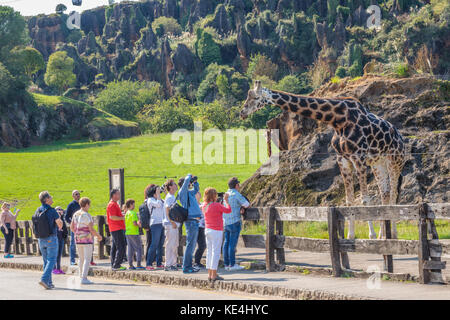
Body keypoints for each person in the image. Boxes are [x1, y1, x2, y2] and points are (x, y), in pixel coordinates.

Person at [70, 197, 102, 284]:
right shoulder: (87, 215)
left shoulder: (75, 214)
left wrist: (78, 233)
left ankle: (80, 276)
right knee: (87, 259)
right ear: (87, 204)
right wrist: (98, 236)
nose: (89, 207)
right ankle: (84, 278)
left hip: (78, 239)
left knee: (81, 259)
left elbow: (72, 227)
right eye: (89, 205)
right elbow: (91, 229)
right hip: (87, 240)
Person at [202, 188, 232, 282]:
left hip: (208, 229)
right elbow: (228, 210)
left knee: (209, 252)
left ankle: (210, 274)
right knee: (216, 253)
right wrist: (226, 201)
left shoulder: (204, 206)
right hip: (216, 230)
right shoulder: (216, 205)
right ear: (213, 196)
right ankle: (214, 274)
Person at [35, 191, 63, 289]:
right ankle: (44, 279)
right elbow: (59, 223)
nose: (52, 198)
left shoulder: (37, 210)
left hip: (41, 239)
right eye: (50, 197)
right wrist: (60, 225)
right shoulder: (52, 210)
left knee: (46, 261)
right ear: (46, 199)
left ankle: (49, 282)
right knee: (52, 260)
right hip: (51, 237)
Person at [223, 177, 250, 271]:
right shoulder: (236, 194)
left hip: (226, 222)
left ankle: (226, 264)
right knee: (232, 244)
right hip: (234, 221)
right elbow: (246, 204)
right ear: (236, 185)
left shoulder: (226, 194)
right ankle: (232, 264)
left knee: (226, 243)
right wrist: (241, 207)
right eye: (238, 184)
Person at [178, 174, 202, 274]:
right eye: (189, 183)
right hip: (191, 221)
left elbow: (196, 189)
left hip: (194, 221)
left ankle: (188, 265)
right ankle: (187, 267)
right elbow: (185, 184)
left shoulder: (189, 193)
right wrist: (189, 176)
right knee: (190, 245)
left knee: (191, 245)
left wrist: (195, 182)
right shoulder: (182, 192)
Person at [146, 185, 165, 270]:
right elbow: (159, 204)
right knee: (154, 244)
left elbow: (165, 204)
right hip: (155, 224)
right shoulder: (150, 200)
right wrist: (158, 194)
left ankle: (159, 262)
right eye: (157, 192)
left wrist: (163, 193)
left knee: (160, 244)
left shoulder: (158, 199)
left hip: (161, 223)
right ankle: (149, 263)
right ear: (154, 193)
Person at [107, 189, 127, 271]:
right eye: (118, 194)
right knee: (121, 246)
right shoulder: (112, 204)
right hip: (116, 228)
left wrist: (122, 214)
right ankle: (117, 265)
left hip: (115, 228)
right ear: (114, 195)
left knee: (115, 247)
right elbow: (112, 217)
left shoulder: (114, 204)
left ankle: (114, 264)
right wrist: (123, 217)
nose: (119, 195)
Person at [162, 179, 179, 271]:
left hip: (172, 223)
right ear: (171, 187)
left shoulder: (171, 196)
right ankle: (168, 264)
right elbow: (167, 209)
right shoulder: (169, 197)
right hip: (170, 224)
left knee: (174, 243)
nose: (176, 185)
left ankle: (173, 263)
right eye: (174, 184)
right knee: (170, 244)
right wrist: (172, 221)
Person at [124, 199, 144, 270]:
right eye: (133, 204)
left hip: (128, 232)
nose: (134, 205)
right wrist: (139, 224)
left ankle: (130, 265)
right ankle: (138, 264)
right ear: (131, 205)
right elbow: (134, 223)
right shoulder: (133, 213)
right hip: (134, 232)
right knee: (139, 248)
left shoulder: (127, 213)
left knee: (130, 249)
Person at [65, 190, 81, 265]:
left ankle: (83, 260)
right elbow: (66, 216)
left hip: (82, 227)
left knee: (83, 243)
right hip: (74, 227)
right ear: (73, 196)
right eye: (76, 194)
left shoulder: (82, 204)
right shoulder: (71, 205)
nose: (78, 195)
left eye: (79, 194)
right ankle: (72, 260)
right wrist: (72, 223)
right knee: (73, 244)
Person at [53, 206, 68, 274]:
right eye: (57, 210)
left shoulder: (62, 219)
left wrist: (65, 236)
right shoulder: (53, 220)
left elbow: (65, 229)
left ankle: (58, 268)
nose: (59, 211)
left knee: (59, 255)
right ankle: (54, 268)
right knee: (54, 254)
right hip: (54, 239)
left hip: (61, 239)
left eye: (60, 210)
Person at [194, 191, 206, 270]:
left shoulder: (201, 204)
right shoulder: (195, 205)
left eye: (199, 193)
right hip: (197, 227)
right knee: (201, 245)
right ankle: (196, 262)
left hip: (203, 227)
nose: (199, 194)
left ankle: (197, 262)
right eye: (197, 193)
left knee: (203, 245)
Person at [142, 184, 153, 263]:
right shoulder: (147, 202)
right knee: (150, 242)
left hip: (150, 224)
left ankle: (151, 258)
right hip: (149, 225)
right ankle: (148, 259)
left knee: (150, 242)